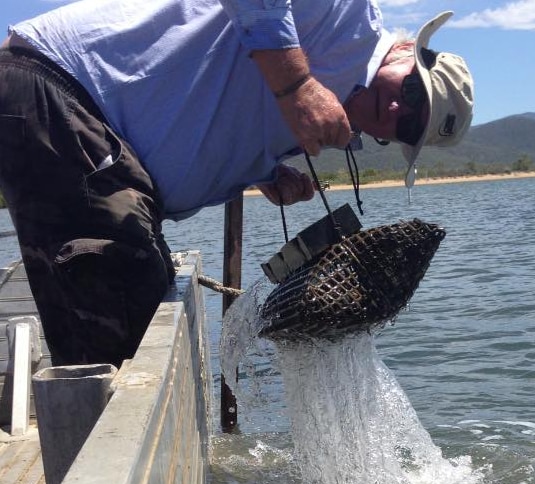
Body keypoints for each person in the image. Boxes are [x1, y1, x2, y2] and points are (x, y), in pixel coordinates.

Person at [0, 0, 474, 367]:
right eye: (412, 92)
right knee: (121, 325)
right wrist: (297, 87)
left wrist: (263, 172)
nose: (396, 111)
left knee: (136, 309)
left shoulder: (325, 117)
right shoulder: (346, 15)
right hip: (70, 89)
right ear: (411, 52)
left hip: (98, 139)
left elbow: (222, 105)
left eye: (410, 126)